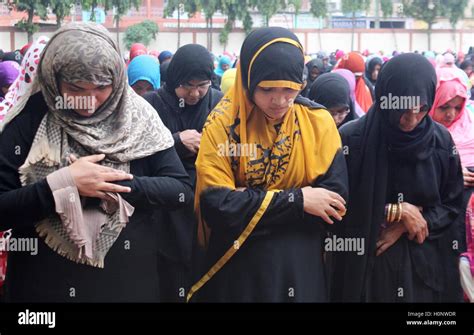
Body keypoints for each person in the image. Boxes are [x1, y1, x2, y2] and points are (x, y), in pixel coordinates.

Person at [0, 22, 193, 302]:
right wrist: (61, 186)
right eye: (76, 88)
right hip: (44, 289)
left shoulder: (138, 117)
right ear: (54, 79)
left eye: (102, 87)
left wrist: (113, 184)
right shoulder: (30, 120)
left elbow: (179, 190)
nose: (89, 102)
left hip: (127, 285)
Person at [188, 27, 348, 302]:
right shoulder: (224, 125)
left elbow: (334, 203)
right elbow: (218, 206)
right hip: (238, 266)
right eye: (267, 89)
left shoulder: (317, 122)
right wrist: (298, 199)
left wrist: (248, 200)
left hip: (299, 267)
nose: (279, 100)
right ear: (248, 82)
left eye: (289, 89)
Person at [331, 53, 464, 302]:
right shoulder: (353, 139)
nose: (411, 121)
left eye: (422, 110)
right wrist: (394, 212)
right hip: (368, 268)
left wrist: (410, 223)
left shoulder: (440, 141)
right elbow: (336, 203)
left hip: (422, 270)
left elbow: (451, 204)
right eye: (403, 111)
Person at [143, 44, 223, 302]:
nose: (195, 93)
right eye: (188, 85)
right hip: (166, 208)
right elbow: (139, 152)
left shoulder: (218, 103)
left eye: (202, 85)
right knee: (170, 274)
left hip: (207, 201)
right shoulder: (152, 104)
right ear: (174, 79)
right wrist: (175, 141)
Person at [429, 67, 474, 301]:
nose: (451, 114)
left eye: (457, 107)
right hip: (438, 220)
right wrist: (452, 174)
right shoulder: (423, 133)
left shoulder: (470, 127)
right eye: (444, 106)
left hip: (466, 222)